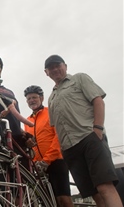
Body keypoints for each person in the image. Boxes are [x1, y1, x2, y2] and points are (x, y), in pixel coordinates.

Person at [44, 54, 122, 207]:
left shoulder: (79, 79)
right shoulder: (51, 97)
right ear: (46, 72)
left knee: (105, 187)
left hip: (89, 138)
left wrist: (98, 129)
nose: (55, 69)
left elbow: (98, 100)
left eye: (57, 65)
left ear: (65, 66)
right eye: (50, 67)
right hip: (69, 149)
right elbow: (55, 126)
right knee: (93, 193)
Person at [23, 85, 74, 207]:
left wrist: (47, 160)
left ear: (41, 98)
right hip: (38, 166)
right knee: (47, 201)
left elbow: (58, 137)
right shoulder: (27, 121)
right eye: (29, 99)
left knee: (63, 198)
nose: (31, 101)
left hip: (56, 160)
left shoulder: (50, 112)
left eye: (34, 97)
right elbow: (30, 144)